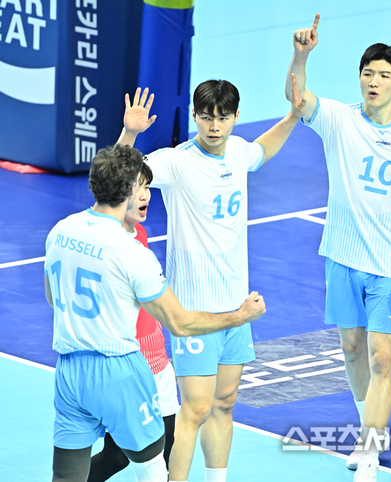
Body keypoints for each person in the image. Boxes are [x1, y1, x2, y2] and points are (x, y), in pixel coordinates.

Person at [116, 76, 306, 482]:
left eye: (222, 118)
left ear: (235, 117)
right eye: (205, 117)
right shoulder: (176, 161)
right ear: (194, 116)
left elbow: (261, 150)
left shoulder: (237, 151)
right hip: (194, 310)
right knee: (195, 409)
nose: (213, 126)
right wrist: (130, 133)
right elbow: (118, 175)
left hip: (238, 307)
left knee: (225, 402)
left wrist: (293, 117)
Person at [286, 14, 391, 482]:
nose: (374, 82)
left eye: (383, 75)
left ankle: (372, 452)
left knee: (382, 358)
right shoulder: (339, 119)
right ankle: (366, 430)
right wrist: (301, 56)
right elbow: (297, 99)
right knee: (352, 349)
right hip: (342, 256)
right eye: (367, 73)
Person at [45, 144, 266, 482]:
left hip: (69, 372)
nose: (146, 192)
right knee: (153, 469)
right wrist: (239, 317)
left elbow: (52, 298)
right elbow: (180, 323)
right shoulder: (131, 252)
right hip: (118, 370)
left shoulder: (61, 231)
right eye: (142, 185)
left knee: (66, 477)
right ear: (129, 189)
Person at [87, 162, 179, 481]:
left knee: (168, 448)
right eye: (135, 187)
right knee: (116, 457)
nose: (145, 195)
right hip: (130, 365)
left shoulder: (139, 232)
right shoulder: (105, 240)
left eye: (147, 186)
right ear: (115, 193)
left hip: (158, 361)